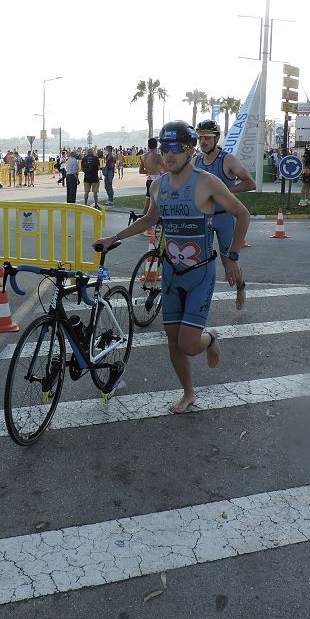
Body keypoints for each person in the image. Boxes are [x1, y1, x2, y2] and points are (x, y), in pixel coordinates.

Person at [97, 120, 250, 415]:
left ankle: (212, 338)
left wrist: (232, 255)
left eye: (176, 149)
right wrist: (112, 238)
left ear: (190, 150)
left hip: (200, 273)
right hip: (170, 273)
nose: (169, 155)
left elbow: (241, 214)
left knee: (190, 344)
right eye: (165, 148)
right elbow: (148, 220)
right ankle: (188, 392)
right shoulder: (158, 185)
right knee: (173, 340)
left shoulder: (207, 181)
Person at [194, 119, 256, 310]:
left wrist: (226, 193)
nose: (203, 141)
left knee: (229, 261)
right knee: (197, 259)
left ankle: (240, 287)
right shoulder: (196, 160)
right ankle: (199, 299)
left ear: (217, 138)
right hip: (203, 218)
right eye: (200, 138)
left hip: (223, 217)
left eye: (207, 137)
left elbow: (250, 183)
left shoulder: (227, 160)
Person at [139, 137, 164, 213]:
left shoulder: (143, 156)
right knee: (158, 201)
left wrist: (149, 172)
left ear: (148, 145)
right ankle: (153, 219)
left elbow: (141, 171)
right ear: (156, 146)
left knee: (148, 201)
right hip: (156, 179)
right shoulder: (158, 156)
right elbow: (165, 168)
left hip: (149, 179)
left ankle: (144, 220)